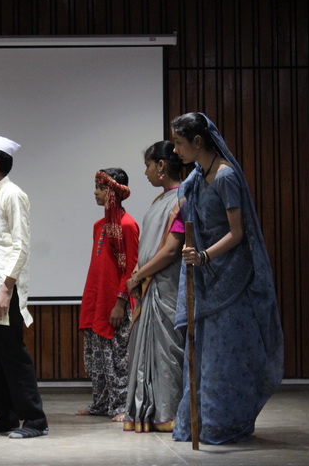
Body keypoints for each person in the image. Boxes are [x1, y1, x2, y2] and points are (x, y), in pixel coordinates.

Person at [170, 112, 284, 444]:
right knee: (202, 354)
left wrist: (204, 255)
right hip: (205, 280)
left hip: (230, 278)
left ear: (197, 141)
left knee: (225, 358)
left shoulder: (225, 177)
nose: (175, 150)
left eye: (179, 143)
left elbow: (237, 232)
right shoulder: (196, 177)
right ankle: (199, 422)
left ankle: (224, 424)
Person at [0, 134, 48, 439]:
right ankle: (4, 417)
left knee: (13, 356)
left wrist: (6, 288)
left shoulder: (13, 194)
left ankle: (36, 421)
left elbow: (21, 245)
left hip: (3, 289)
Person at [123, 141, 185, 433]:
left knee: (167, 354)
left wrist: (138, 276)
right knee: (149, 353)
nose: (145, 172)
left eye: (148, 166)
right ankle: (152, 412)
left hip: (167, 288)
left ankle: (169, 414)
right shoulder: (159, 201)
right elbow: (148, 247)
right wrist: (138, 272)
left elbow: (171, 250)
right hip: (150, 285)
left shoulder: (182, 200)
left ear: (161, 165)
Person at [77, 167, 139, 422]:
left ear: (113, 192)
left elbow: (131, 268)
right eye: (96, 187)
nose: (96, 192)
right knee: (97, 357)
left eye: (101, 188)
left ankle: (123, 406)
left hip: (115, 302)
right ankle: (101, 403)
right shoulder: (99, 226)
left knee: (118, 357)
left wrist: (120, 302)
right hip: (97, 299)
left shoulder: (127, 225)